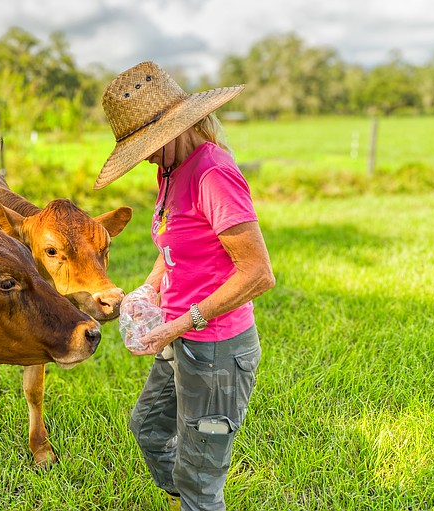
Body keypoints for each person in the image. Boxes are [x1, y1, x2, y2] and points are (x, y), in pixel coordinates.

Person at [95, 61, 275, 510]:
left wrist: (180, 323)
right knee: (148, 429)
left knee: (200, 479)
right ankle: (190, 494)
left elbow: (258, 273)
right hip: (179, 337)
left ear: (178, 127)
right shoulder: (171, 168)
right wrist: (149, 289)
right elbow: (176, 243)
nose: (146, 158)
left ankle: (197, 496)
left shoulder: (212, 174)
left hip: (217, 352)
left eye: (148, 146)